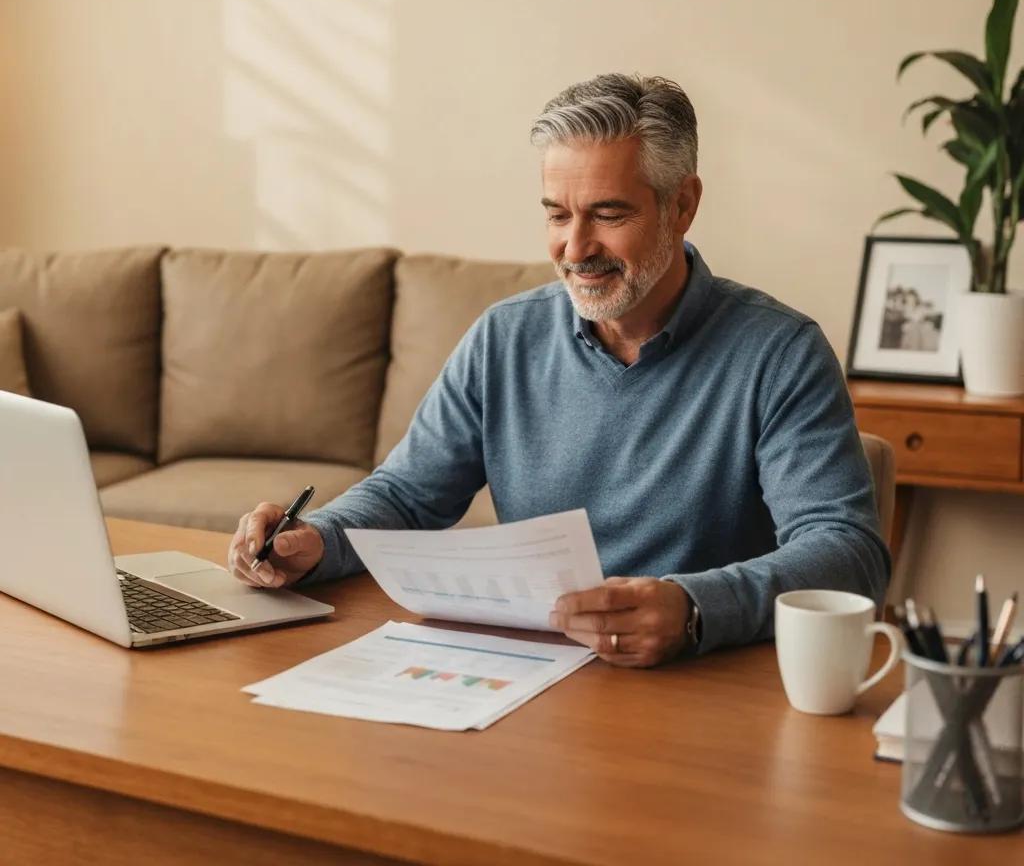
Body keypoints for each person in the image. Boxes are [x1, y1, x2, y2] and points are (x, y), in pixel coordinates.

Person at [228, 72, 890, 667]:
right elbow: (407, 494)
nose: (576, 249)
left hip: (704, 682)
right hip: (529, 672)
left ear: (682, 206)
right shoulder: (505, 337)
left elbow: (845, 552)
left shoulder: (779, 353)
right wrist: (315, 539)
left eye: (608, 214)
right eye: (557, 214)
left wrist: (693, 609)